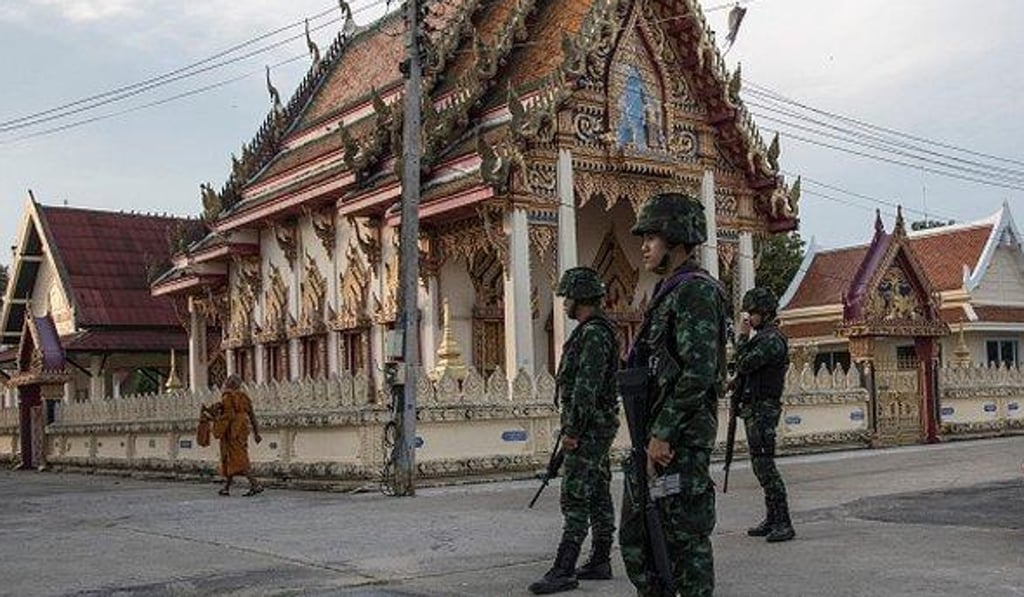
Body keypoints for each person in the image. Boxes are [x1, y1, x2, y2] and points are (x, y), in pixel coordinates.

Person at [619, 192, 728, 597]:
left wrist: (663, 433)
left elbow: (698, 371)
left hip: (678, 441)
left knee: (683, 542)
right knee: (641, 537)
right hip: (654, 438)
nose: (644, 246)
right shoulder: (669, 292)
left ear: (677, 241)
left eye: (653, 237)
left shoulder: (695, 292)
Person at [529, 267, 621, 595]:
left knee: (576, 495)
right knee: (597, 491)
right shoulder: (592, 331)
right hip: (595, 426)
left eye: (568, 297)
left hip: (589, 428)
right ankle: (599, 559)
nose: (565, 304)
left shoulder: (594, 333)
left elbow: (586, 387)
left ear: (580, 299)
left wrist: (572, 430)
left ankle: (565, 567)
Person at [735, 287, 795, 543]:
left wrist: (741, 337)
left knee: (765, 465)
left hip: (764, 409)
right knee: (760, 464)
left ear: (764, 313)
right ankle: (772, 517)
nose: (749, 318)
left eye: (752, 313)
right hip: (755, 407)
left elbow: (744, 362)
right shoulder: (763, 338)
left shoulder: (771, 339)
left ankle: (783, 521)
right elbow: (748, 371)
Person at [203, 374, 263, 497]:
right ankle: (226, 487)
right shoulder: (244, 397)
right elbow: (252, 415)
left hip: (232, 431)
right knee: (230, 457)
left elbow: (229, 416)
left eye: (227, 382)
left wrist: (214, 418)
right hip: (242, 430)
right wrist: (256, 433)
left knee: (238, 459)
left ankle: (255, 484)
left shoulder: (227, 396)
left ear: (229, 384)